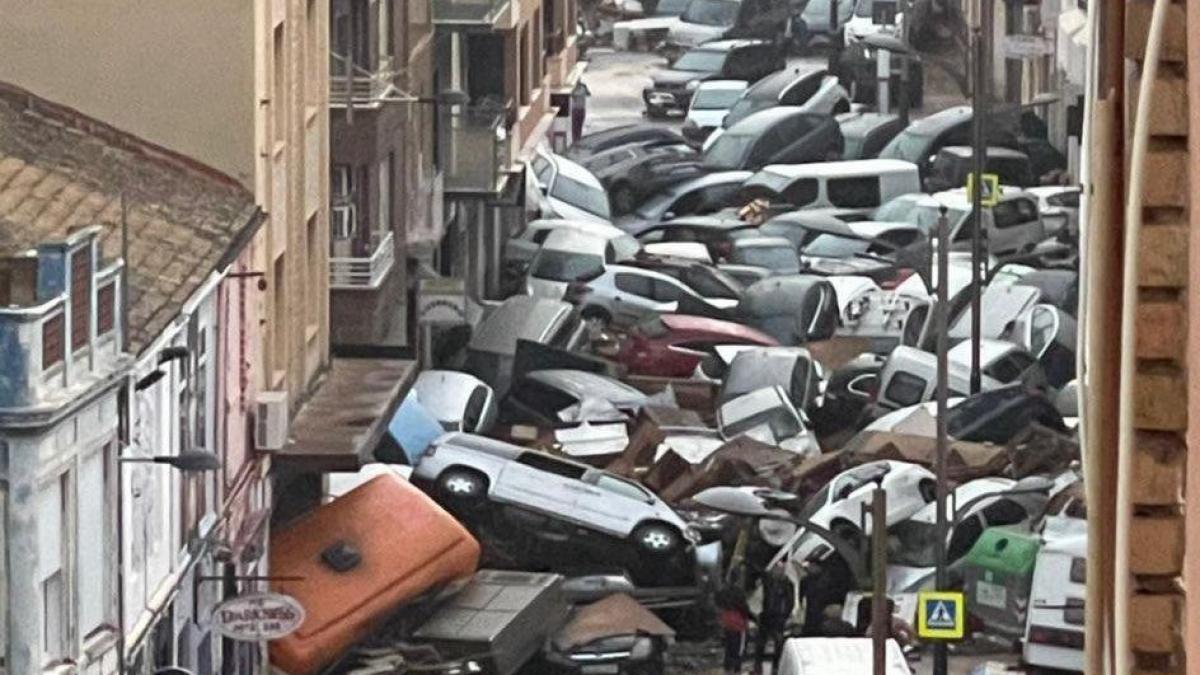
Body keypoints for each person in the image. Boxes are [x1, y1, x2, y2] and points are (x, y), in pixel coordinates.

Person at [755, 562, 795, 673]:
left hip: (778, 617)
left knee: (778, 643)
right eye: (776, 569)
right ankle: (758, 666)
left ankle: (776, 667)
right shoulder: (767, 581)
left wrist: (786, 615)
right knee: (761, 642)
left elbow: (790, 601)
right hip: (766, 615)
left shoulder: (787, 584)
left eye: (779, 570)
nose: (777, 572)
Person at [716, 583, 753, 674]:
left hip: (728, 623)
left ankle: (728, 668)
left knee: (729, 647)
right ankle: (737, 670)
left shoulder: (724, 591)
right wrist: (753, 618)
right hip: (739, 625)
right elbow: (744, 609)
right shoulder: (739, 592)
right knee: (739, 650)